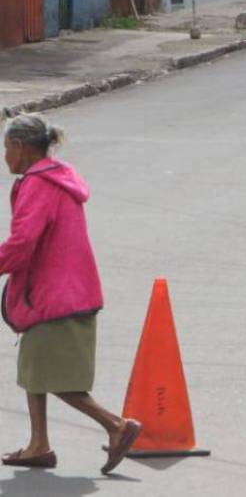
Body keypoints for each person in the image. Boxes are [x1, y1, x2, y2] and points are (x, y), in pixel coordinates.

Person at [0, 114, 142, 474]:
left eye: (5, 148)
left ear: (19, 146)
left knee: (53, 377)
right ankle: (39, 444)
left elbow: (23, 242)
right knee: (34, 370)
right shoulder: (54, 175)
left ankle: (117, 426)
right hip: (61, 291)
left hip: (56, 295)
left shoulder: (38, 184)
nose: (4, 157)